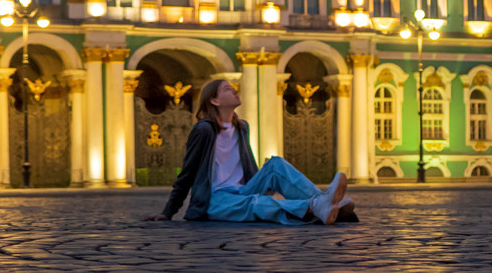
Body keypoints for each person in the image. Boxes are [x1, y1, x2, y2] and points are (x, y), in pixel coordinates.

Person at [146, 78, 350, 224]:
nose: (234, 90)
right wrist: (168, 212)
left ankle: (324, 201)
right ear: (214, 101)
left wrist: (263, 180)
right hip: (215, 199)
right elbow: (187, 172)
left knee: (275, 164)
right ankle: (313, 207)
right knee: (257, 203)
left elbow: (248, 164)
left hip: (243, 190)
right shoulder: (204, 130)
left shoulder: (242, 127)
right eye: (227, 89)